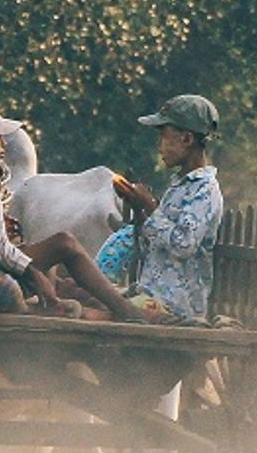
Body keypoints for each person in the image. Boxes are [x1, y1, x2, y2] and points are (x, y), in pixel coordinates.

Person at [0, 97, 149, 323]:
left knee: (63, 244)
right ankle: (61, 312)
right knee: (11, 289)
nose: (4, 144)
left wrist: (32, 273)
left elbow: (0, 246)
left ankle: (125, 310)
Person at [96, 94, 226, 326]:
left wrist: (150, 206)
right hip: (150, 295)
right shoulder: (179, 186)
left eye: (164, 137)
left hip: (173, 306)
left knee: (94, 316)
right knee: (88, 296)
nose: (159, 146)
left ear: (186, 138)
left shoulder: (204, 191)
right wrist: (139, 210)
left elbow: (183, 244)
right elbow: (153, 240)